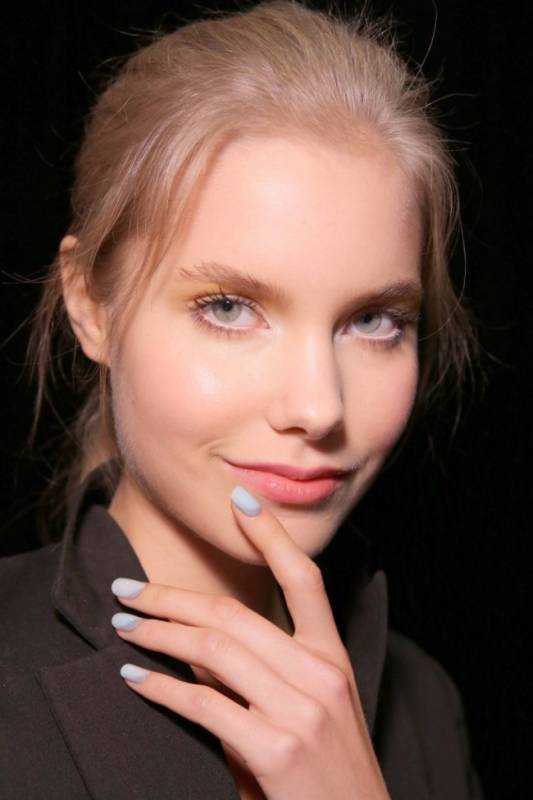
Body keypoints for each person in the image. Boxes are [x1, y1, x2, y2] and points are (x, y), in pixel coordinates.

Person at [0, 1, 484, 797]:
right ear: (91, 305)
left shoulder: (426, 710)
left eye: (372, 320)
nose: (318, 408)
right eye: (227, 307)